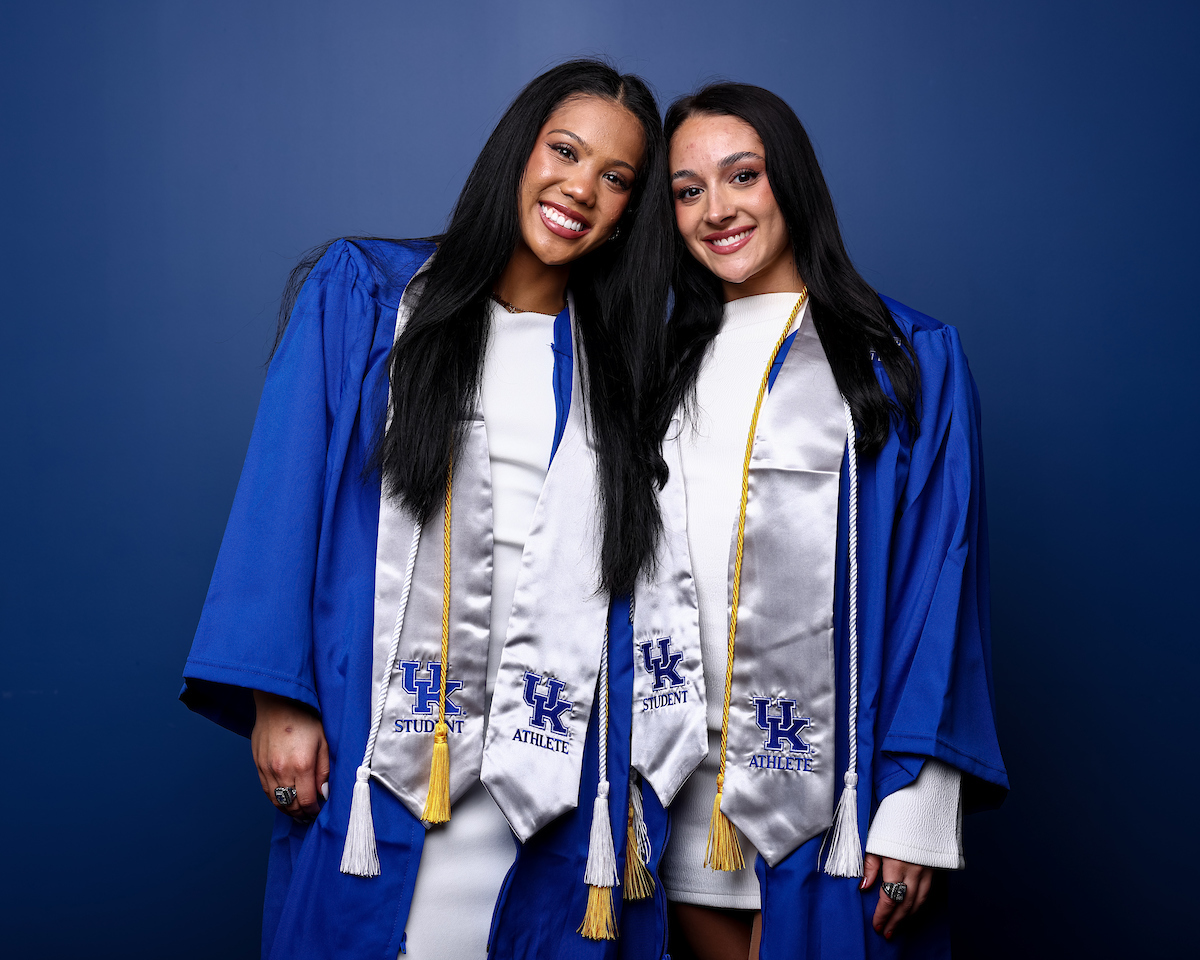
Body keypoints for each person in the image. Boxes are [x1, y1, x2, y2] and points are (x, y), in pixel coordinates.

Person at [180, 59, 675, 960]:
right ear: (518, 151)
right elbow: (279, 499)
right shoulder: (371, 297)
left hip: (548, 756)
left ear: (627, 216)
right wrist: (277, 699)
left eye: (616, 178)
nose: (580, 189)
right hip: (386, 736)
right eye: (565, 152)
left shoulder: (616, 373)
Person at [636, 83, 1008, 959]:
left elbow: (941, 580)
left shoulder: (901, 357)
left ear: (792, 181)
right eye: (688, 190)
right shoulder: (649, 371)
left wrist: (919, 808)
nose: (717, 210)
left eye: (743, 175)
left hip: (835, 791)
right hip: (671, 785)